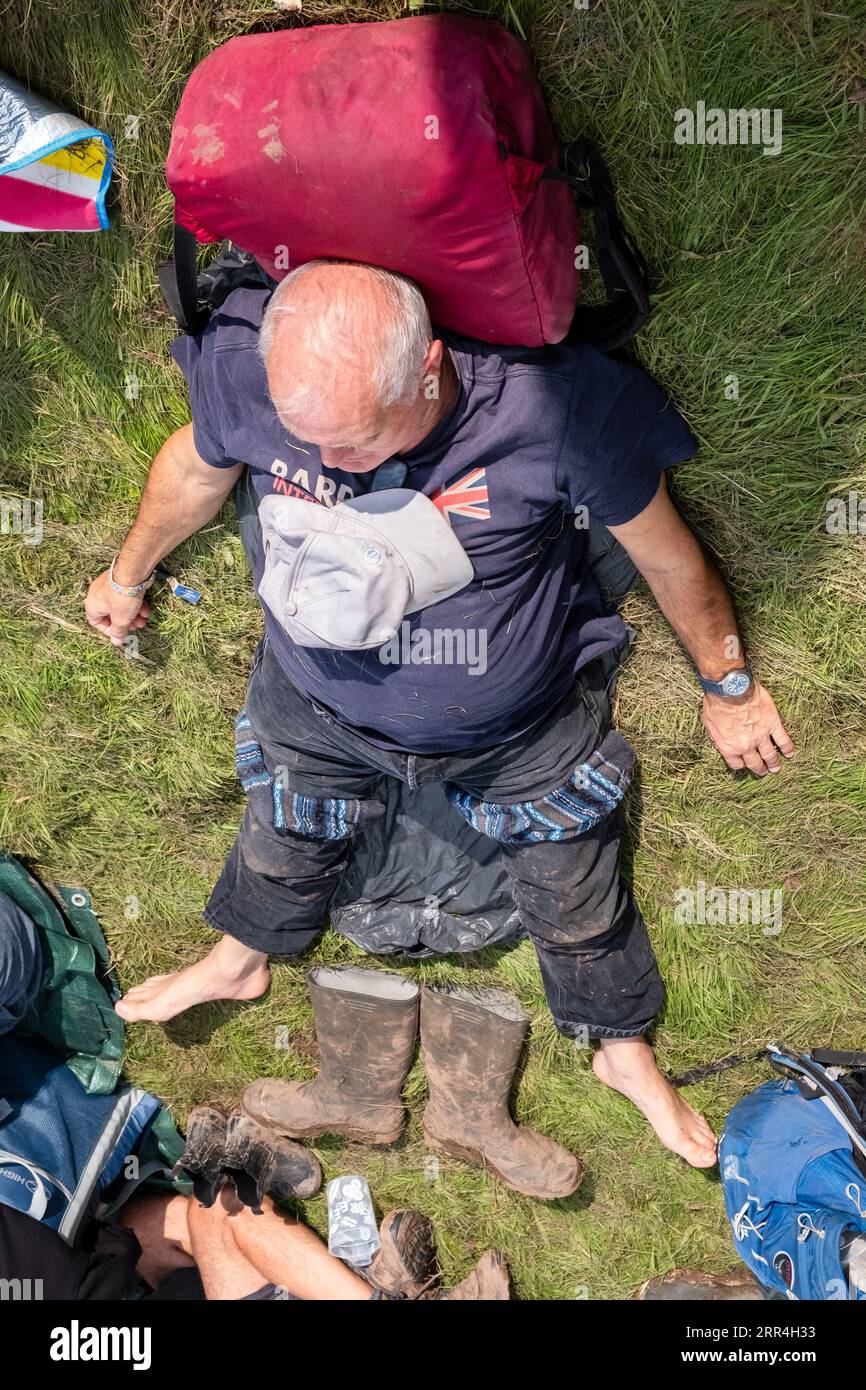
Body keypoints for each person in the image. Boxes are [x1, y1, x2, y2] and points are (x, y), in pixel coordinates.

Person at [85, 260, 795, 1170]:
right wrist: (125, 574)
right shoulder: (249, 369)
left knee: (569, 866)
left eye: (355, 443)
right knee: (284, 818)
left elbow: (664, 556)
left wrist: (728, 687)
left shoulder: (550, 413)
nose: (333, 467)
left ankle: (620, 1047)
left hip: (514, 727)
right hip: (317, 696)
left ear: (429, 366)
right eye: (310, 447)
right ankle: (241, 956)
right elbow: (197, 466)